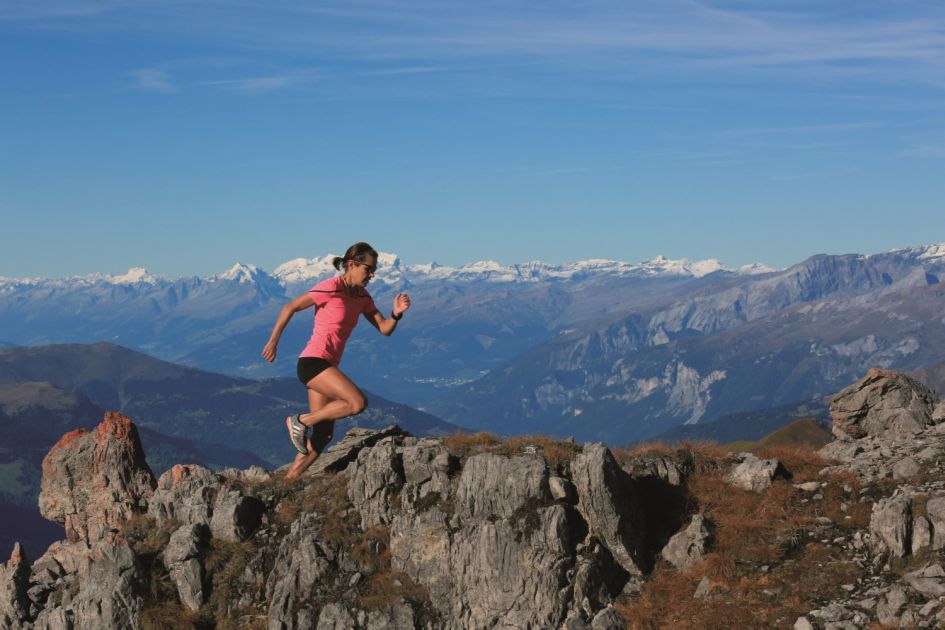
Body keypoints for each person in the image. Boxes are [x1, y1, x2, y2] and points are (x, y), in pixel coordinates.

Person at [261, 242, 411, 480]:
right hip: (312, 362)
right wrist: (273, 341)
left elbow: (384, 329)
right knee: (356, 402)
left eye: (374, 270)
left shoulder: (362, 296)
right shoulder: (330, 288)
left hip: (327, 366)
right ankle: (299, 421)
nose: (371, 275)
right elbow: (291, 306)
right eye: (368, 269)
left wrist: (396, 314)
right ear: (351, 264)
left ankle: (288, 481)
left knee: (322, 437)